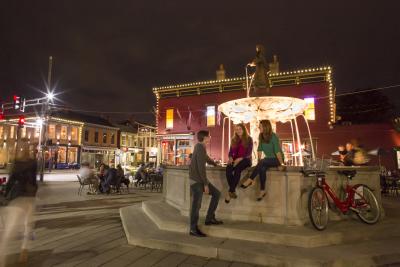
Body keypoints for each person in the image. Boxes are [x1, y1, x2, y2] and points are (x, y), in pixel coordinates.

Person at [0, 141, 38, 265]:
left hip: (18, 198)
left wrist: (5, 195)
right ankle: (23, 250)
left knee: (11, 230)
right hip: (28, 197)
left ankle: (3, 258)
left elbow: (11, 181)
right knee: (28, 225)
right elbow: (33, 181)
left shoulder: (17, 163)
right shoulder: (33, 162)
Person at [241, 120, 285, 201]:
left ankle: (250, 179)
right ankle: (262, 191)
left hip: (278, 158)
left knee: (263, 161)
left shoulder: (273, 136)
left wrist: (281, 163)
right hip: (269, 159)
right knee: (262, 168)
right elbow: (259, 149)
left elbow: (277, 151)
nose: (258, 127)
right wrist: (259, 163)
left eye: (260, 126)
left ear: (265, 127)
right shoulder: (261, 136)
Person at [189, 130, 222, 237]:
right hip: (196, 181)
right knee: (196, 205)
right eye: (209, 136)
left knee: (216, 194)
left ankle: (209, 218)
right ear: (205, 137)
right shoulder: (199, 147)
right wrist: (206, 184)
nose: (210, 137)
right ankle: (193, 229)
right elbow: (200, 167)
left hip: (199, 180)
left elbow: (206, 159)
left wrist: (215, 164)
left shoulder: (201, 147)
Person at [225, 123, 253, 203]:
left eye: (240, 129)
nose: (238, 131)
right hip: (234, 159)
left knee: (237, 169)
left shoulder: (249, 139)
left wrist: (239, 159)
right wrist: (230, 157)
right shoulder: (234, 139)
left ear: (244, 130)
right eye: (236, 129)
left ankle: (230, 192)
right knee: (228, 169)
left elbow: (249, 153)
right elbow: (230, 151)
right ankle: (232, 191)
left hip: (246, 159)